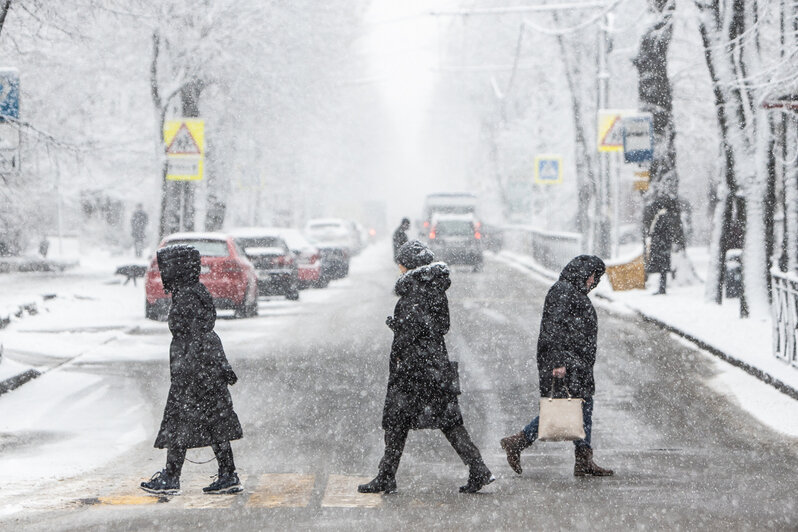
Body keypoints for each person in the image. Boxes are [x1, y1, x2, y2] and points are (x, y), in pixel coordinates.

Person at [359, 240, 494, 494]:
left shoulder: (415, 291)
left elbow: (413, 332)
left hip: (414, 369)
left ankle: (387, 476)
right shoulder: (434, 288)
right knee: (447, 422)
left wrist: (402, 329)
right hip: (434, 366)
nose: (398, 269)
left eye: (400, 265)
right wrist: (404, 326)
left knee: (399, 422)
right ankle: (478, 469)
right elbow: (440, 326)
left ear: (409, 266)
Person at [141, 244, 244, 495]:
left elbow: (196, 336)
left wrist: (191, 372)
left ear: (178, 269)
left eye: (168, 267)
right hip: (202, 369)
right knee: (211, 423)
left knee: (182, 422)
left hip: (195, 370)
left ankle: (172, 477)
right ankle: (226, 474)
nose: (165, 272)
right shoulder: (192, 291)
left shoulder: (188, 296)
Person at [500, 255, 614, 478]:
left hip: (577, 362)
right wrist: (558, 362)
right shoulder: (563, 291)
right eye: (593, 276)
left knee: (581, 404)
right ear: (584, 273)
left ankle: (583, 458)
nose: (593, 281)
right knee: (565, 405)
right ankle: (519, 441)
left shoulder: (571, 291)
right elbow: (553, 328)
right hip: (567, 361)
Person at [644, 197, 685, 295]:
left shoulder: (662, 216)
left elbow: (659, 231)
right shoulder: (667, 216)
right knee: (663, 268)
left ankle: (662, 288)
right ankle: (662, 287)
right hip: (663, 246)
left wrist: (657, 241)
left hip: (661, 246)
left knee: (662, 267)